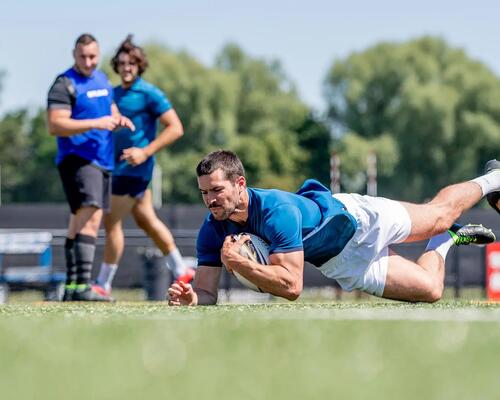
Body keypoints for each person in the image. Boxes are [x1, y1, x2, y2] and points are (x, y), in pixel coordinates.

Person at [168, 150, 499, 306]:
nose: (210, 200)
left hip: (360, 220)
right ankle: (444, 239)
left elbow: (292, 286)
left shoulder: (275, 211)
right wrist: (193, 298)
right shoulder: (211, 232)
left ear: (240, 184)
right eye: (204, 193)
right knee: (431, 291)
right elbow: (209, 292)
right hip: (341, 262)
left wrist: (239, 263)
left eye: (216, 190)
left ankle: (492, 178)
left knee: (437, 213)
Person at [93, 35, 194, 298]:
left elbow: (176, 128)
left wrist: (145, 151)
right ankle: (182, 268)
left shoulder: (149, 93)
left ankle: (103, 285)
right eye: (122, 63)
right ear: (117, 65)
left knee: (111, 220)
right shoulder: (113, 95)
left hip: (135, 169)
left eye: (132, 63)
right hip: (116, 168)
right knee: (146, 220)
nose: (127, 67)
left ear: (139, 66)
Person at [47, 33, 135, 301]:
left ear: (98, 55)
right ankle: (84, 286)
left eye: (93, 56)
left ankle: (73, 288)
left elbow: (109, 109)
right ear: (74, 54)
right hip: (79, 159)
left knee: (79, 220)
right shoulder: (64, 84)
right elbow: (55, 125)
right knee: (92, 215)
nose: (88, 61)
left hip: (103, 159)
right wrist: (96, 123)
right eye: (83, 56)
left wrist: (118, 119)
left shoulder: (102, 80)